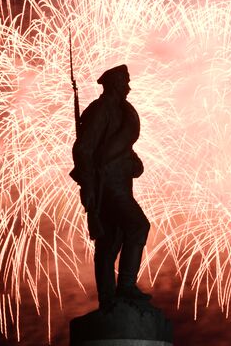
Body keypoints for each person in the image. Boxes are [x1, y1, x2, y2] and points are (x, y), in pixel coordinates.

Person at [70, 64, 151, 310]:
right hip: (108, 186)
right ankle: (125, 286)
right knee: (137, 226)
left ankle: (109, 299)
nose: (128, 87)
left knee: (110, 242)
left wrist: (133, 161)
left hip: (118, 184)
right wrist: (90, 186)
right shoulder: (102, 109)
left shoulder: (117, 111)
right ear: (114, 85)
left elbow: (119, 146)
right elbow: (83, 149)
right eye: (124, 83)